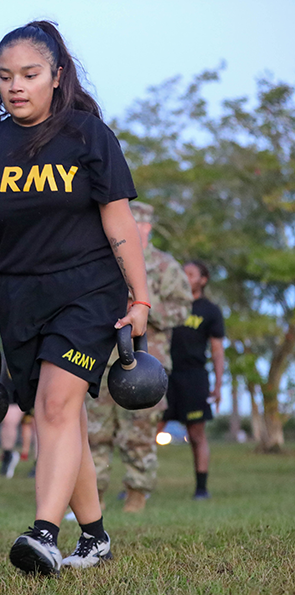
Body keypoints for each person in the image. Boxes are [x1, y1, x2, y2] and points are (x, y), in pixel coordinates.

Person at [0, 21, 150, 573]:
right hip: (19, 298)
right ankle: (95, 537)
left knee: (57, 405)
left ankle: (44, 533)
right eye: (5, 77)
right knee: (52, 415)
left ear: (57, 76)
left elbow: (120, 220)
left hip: (88, 290)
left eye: (29, 74)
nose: (15, 86)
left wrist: (140, 299)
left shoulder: (90, 137)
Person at [86, 201, 192, 513]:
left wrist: (144, 308)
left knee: (141, 433)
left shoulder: (164, 266)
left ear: (147, 227)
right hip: (104, 360)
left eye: (140, 224)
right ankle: (95, 499)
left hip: (148, 362)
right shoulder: (104, 261)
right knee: (95, 433)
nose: (135, 228)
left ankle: (137, 494)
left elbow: (182, 308)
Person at [157, 260, 225, 500]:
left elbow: (217, 350)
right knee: (149, 431)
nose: (185, 277)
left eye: (191, 273)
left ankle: (201, 488)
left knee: (196, 435)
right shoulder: (169, 305)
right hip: (163, 375)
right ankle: (137, 486)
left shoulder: (210, 310)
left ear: (202, 279)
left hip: (194, 377)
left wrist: (218, 385)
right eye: (182, 273)